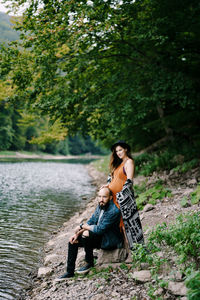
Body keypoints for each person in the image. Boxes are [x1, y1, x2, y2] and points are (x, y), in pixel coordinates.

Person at [58, 187, 123, 279]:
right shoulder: (100, 206)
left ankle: (89, 263)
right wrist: (77, 234)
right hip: (99, 237)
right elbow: (92, 221)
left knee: (86, 234)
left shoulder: (113, 211)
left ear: (111, 198)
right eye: (99, 196)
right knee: (73, 241)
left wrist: (81, 226)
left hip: (109, 240)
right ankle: (70, 272)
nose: (101, 199)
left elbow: (99, 229)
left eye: (104, 197)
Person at [101, 140, 144, 249]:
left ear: (126, 149)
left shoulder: (128, 162)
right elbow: (112, 180)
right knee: (116, 224)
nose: (118, 153)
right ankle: (122, 249)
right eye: (116, 151)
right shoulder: (117, 164)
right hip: (113, 198)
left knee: (126, 224)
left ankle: (134, 249)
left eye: (120, 150)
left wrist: (121, 196)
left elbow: (129, 181)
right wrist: (107, 186)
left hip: (123, 199)